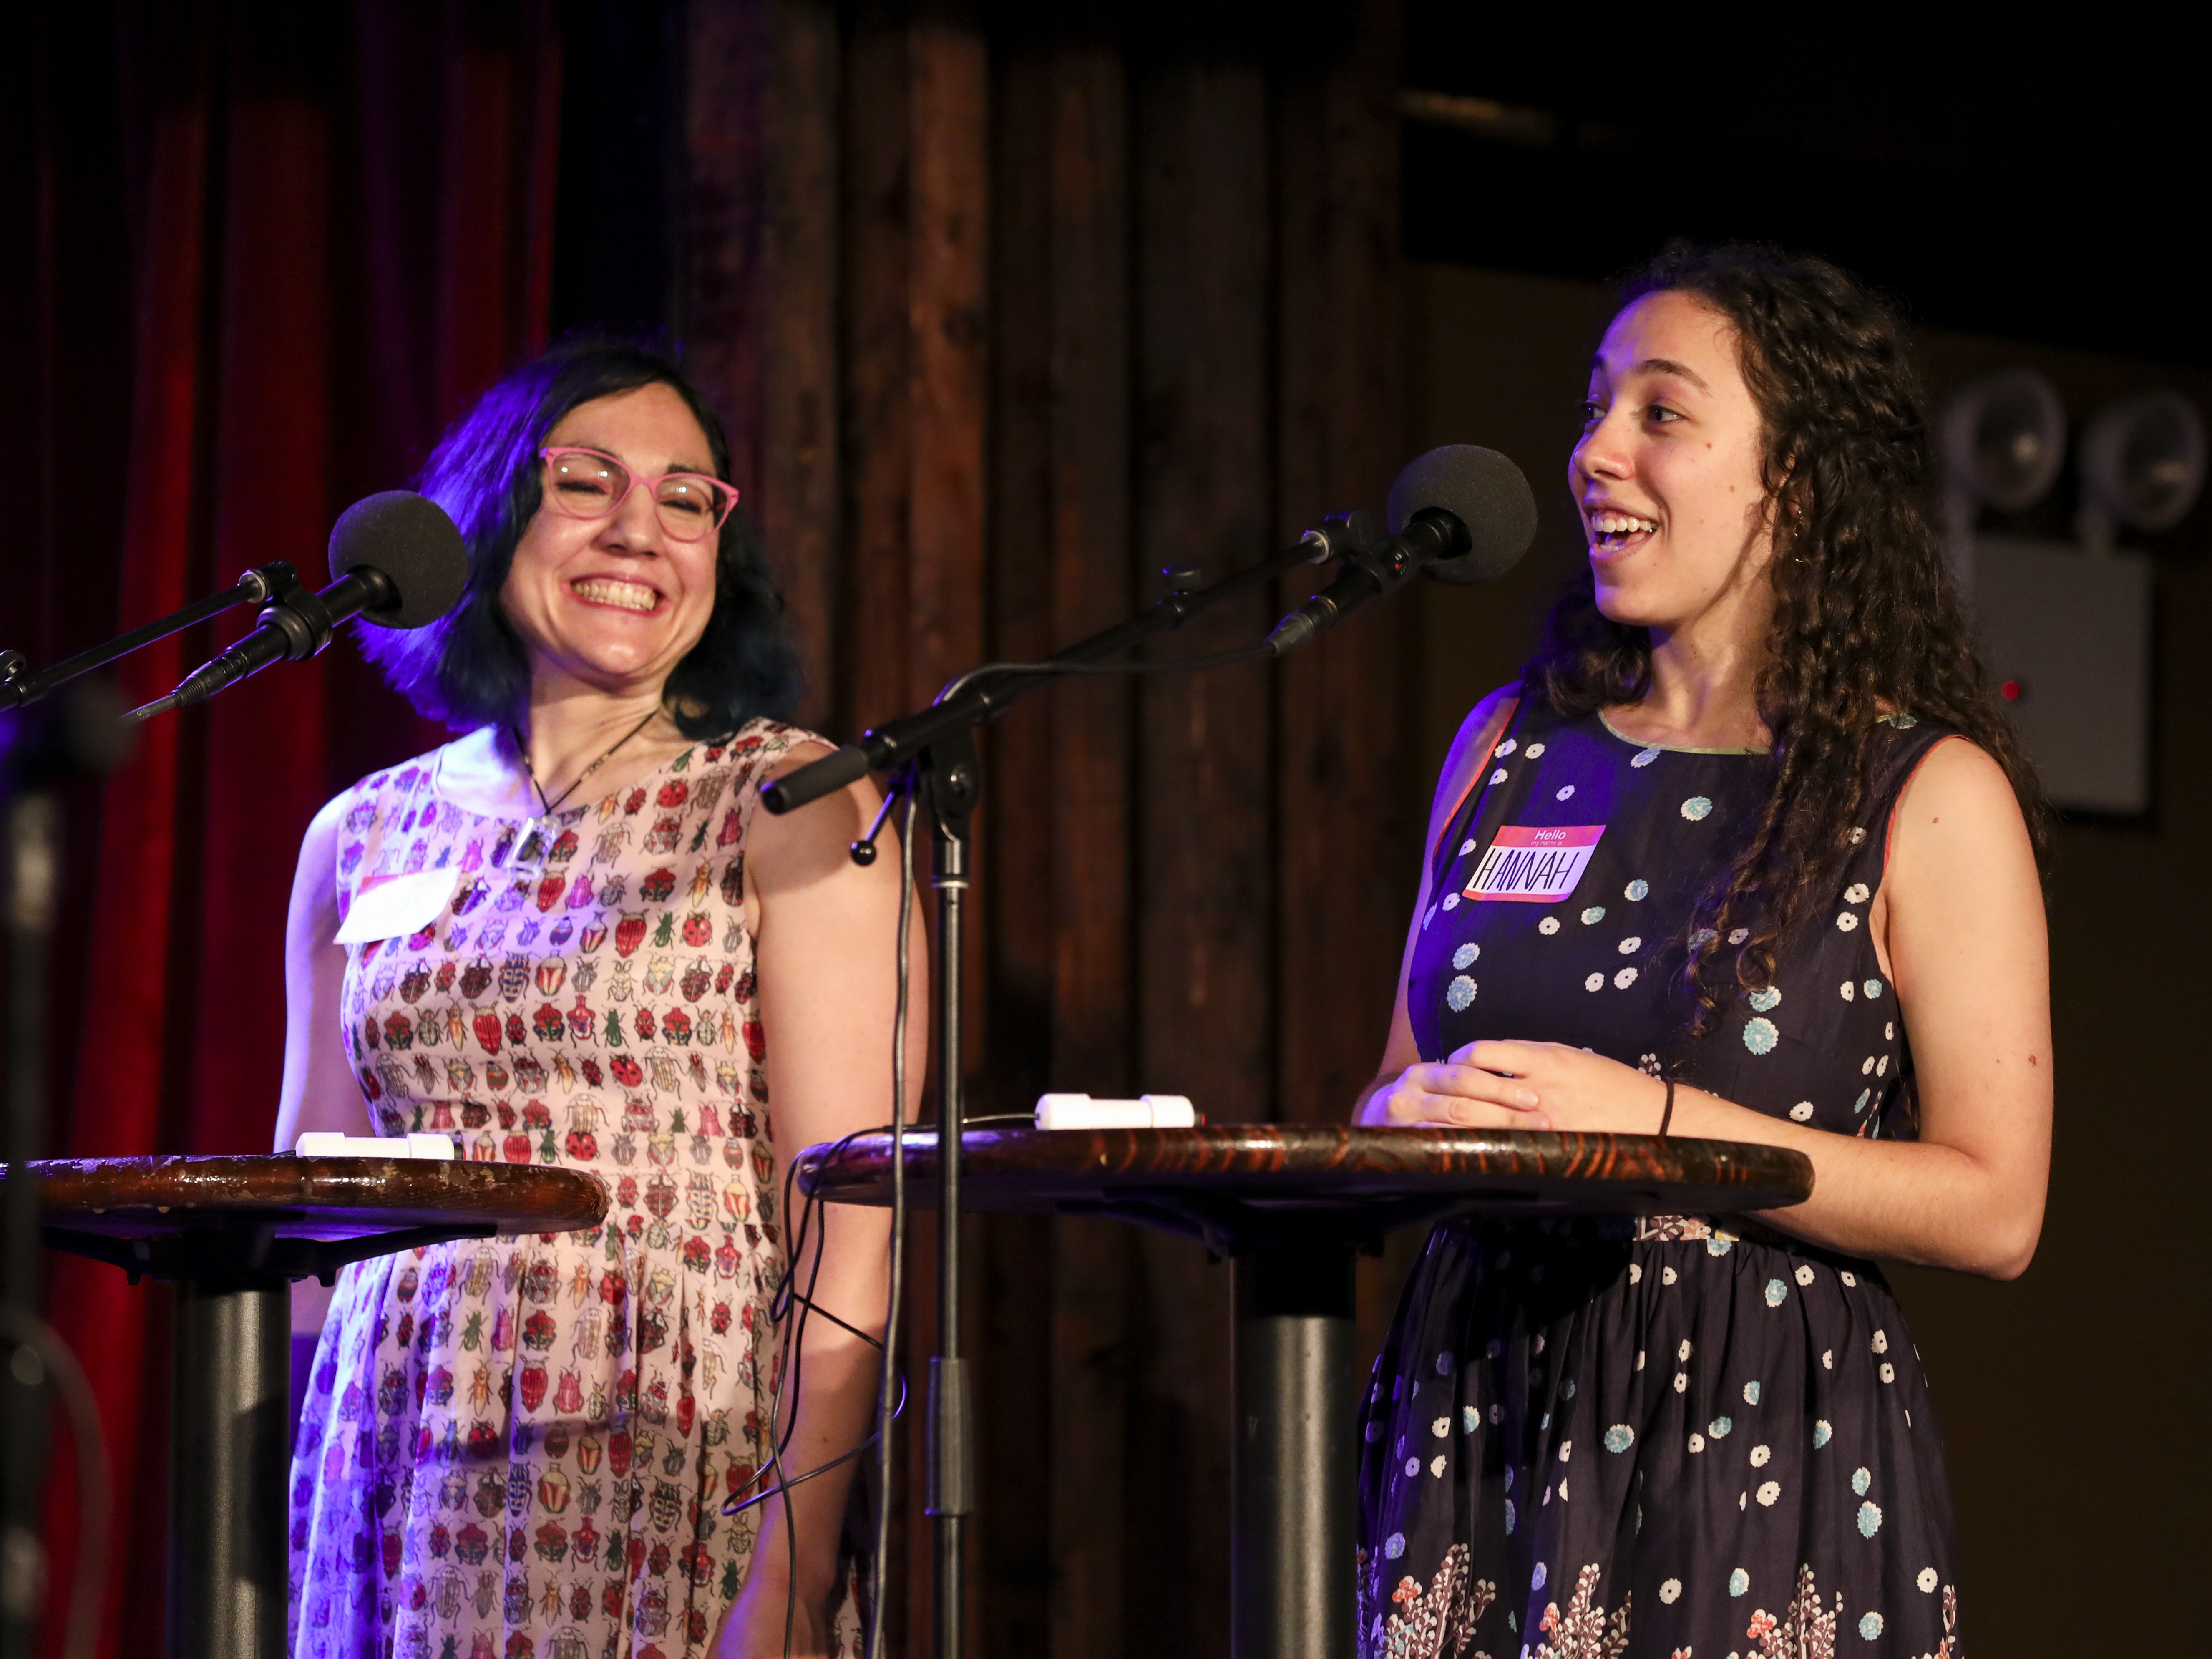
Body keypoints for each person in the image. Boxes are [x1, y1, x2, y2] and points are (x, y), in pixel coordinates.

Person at [1354, 246, 2051, 1657]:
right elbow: (1392, 1088)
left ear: (1795, 482)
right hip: (1478, 1421)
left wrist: (1659, 1124)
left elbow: (1997, 1207)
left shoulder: (1923, 791)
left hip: (1747, 1441)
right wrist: (1395, 1122)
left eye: (1661, 413)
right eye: (1595, 406)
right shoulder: (1505, 745)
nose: (1594, 453)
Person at [275, 340, 917, 1659]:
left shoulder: (789, 799)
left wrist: (792, 1573)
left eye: (687, 498)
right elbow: (304, 1216)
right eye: (587, 481)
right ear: (492, 511)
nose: (639, 529)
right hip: (389, 1454)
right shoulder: (359, 832)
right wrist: (267, 1507)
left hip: (670, 1443)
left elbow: (851, 1227)